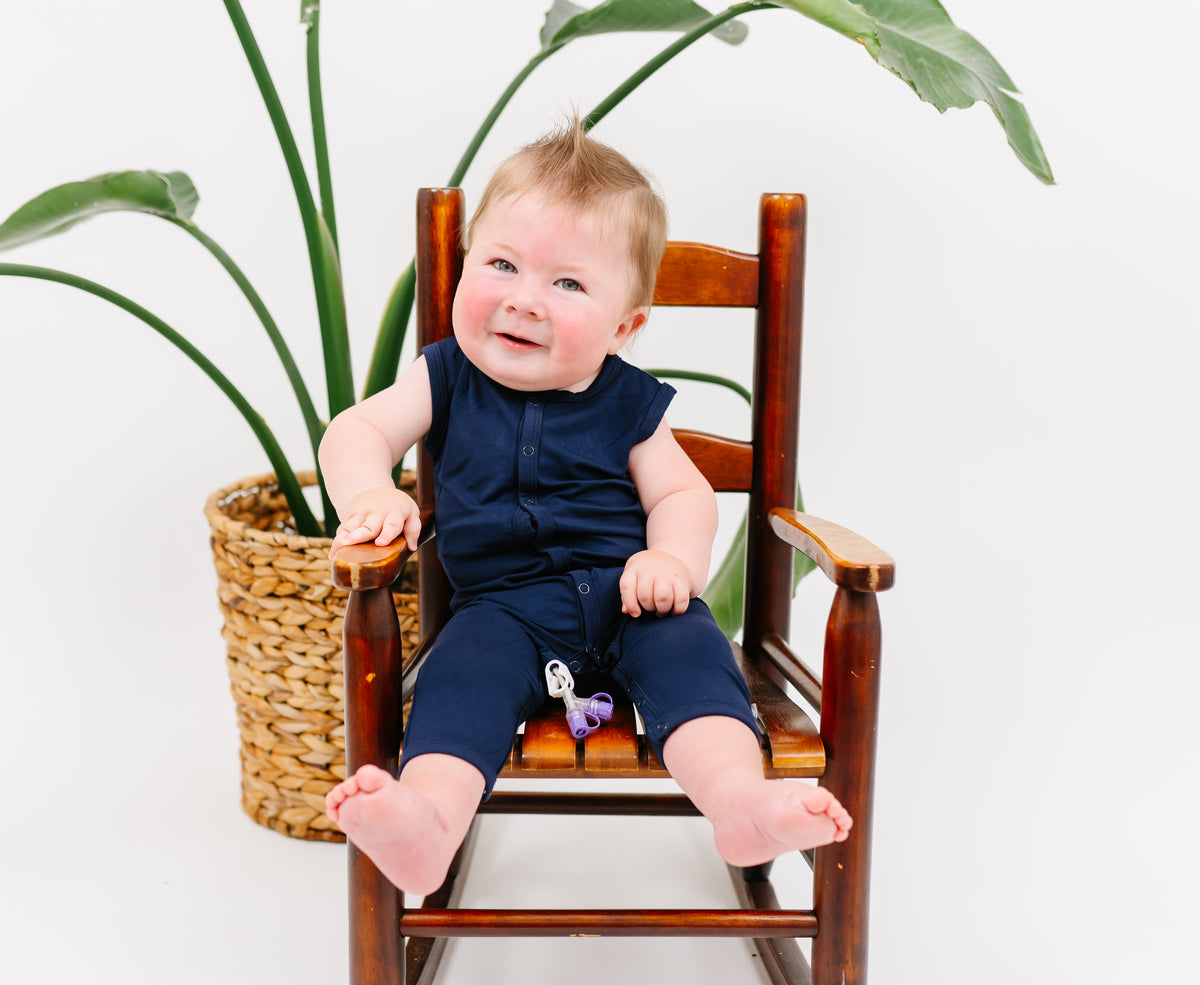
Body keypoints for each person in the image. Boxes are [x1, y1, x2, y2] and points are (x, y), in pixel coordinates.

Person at [319, 120, 850, 895]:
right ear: (465, 270)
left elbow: (681, 492)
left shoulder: (628, 400)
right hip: (499, 611)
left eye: (567, 283)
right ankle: (429, 824)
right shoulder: (444, 377)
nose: (524, 300)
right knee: (460, 681)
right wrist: (370, 491)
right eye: (501, 264)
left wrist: (671, 561)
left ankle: (737, 804)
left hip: (631, 599)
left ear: (625, 327)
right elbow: (357, 430)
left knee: (694, 662)